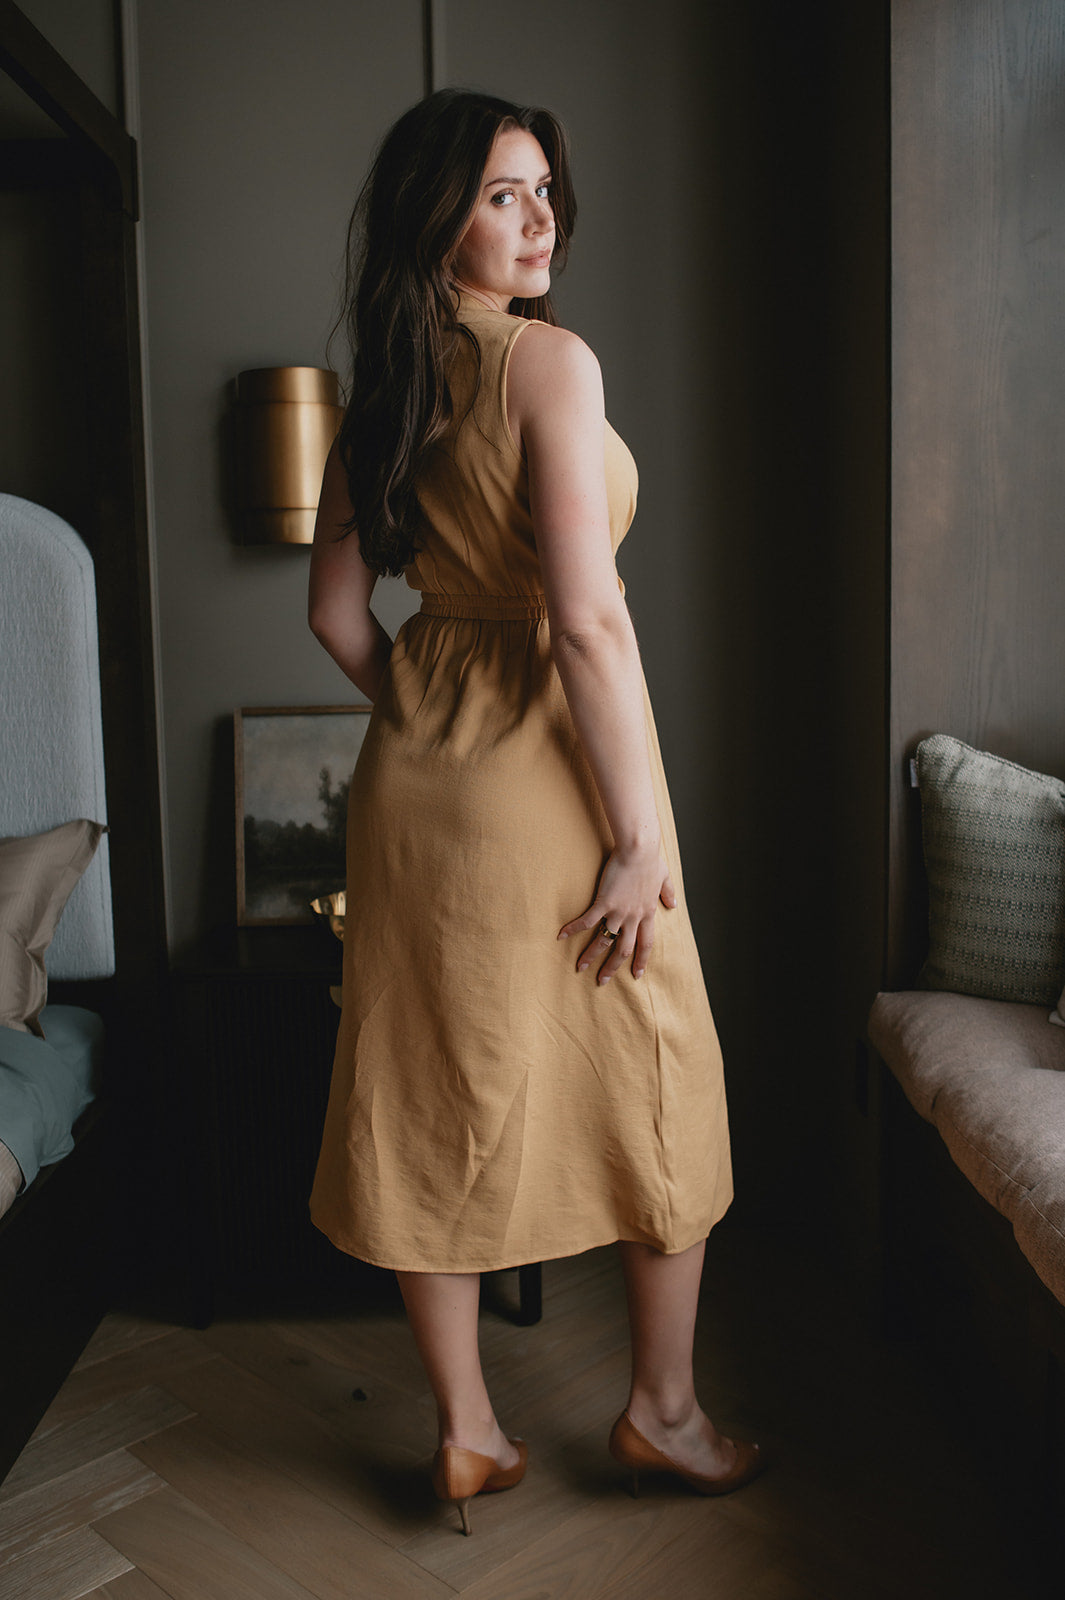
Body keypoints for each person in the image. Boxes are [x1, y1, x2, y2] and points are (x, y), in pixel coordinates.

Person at [307, 88, 761, 1536]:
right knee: (659, 1073)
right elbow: (587, 621)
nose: (540, 217)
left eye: (544, 189)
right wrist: (635, 837)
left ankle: (467, 1432)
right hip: (559, 779)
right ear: (434, 215)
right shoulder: (549, 365)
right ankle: (663, 1413)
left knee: (429, 1080)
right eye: (503, 194)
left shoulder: (384, 387)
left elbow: (335, 618)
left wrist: (429, 710)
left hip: (418, 783)